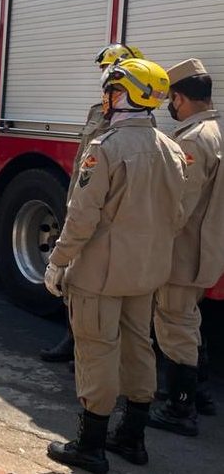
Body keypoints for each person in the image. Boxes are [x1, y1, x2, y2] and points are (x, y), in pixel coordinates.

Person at [43, 58, 187, 473]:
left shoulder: (106, 148)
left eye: (111, 91)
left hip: (99, 276)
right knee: (140, 348)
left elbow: (82, 217)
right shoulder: (172, 149)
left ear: (125, 96)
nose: (105, 99)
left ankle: (90, 445)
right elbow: (176, 216)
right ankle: (132, 437)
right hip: (146, 274)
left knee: (97, 353)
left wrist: (58, 262)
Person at [41, 43, 146, 365]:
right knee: (74, 283)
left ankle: (92, 353)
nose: (104, 78)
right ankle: (72, 340)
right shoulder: (97, 111)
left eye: (109, 71)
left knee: (99, 292)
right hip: (81, 202)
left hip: (105, 218)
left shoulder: (131, 119)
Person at [149, 58, 224, 438]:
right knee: (188, 321)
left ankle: (180, 409)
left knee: (174, 323)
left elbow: (180, 205)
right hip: (202, 250)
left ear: (180, 97)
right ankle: (197, 394)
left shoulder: (193, 139)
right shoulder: (214, 131)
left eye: (171, 100)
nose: (170, 108)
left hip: (183, 252)